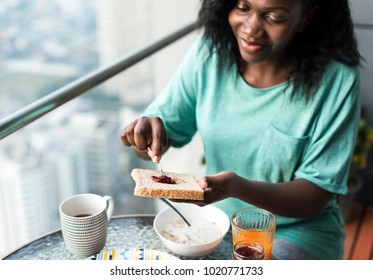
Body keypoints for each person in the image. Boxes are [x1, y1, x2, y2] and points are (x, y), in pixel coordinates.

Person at [120, 0, 362, 260]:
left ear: (305, 18)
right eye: (243, 7)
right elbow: (159, 139)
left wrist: (238, 187)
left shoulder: (338, 78)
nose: (251, 28)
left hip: (295, 233)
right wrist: (146, 135)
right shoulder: (210, 52)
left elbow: (315, 194)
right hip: (216, 227)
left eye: (274, 16)